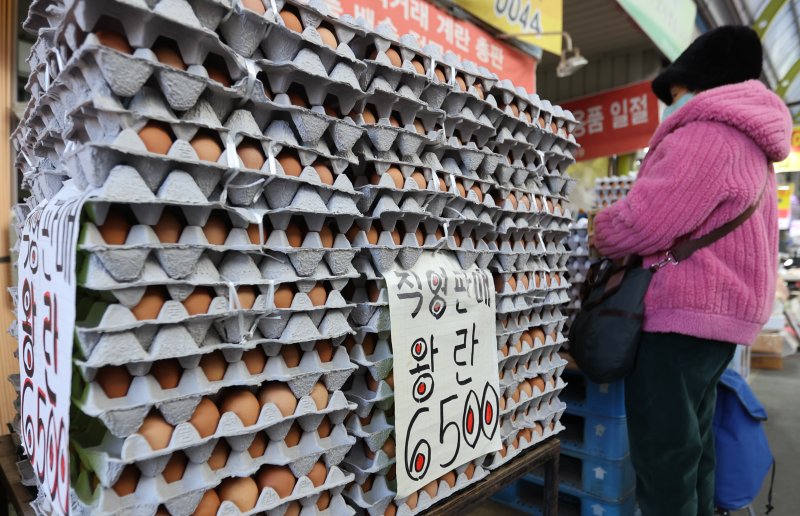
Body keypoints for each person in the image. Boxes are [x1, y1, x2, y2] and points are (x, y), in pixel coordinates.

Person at [592, 26, 792, 516]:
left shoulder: (708, 134)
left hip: (682, 316)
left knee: (665, 461)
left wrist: (601, 229)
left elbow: (643, 223)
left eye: (675, 93)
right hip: (717, 321)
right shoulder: (752, 144)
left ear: (703, 82)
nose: (671, 103)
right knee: (694, 449)